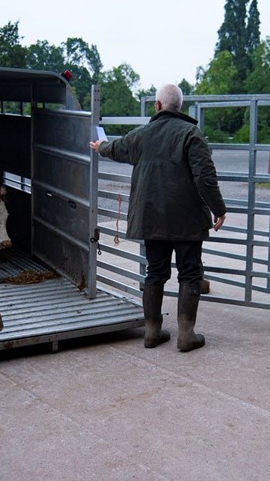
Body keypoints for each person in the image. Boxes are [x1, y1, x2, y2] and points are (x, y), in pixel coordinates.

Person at [89, 84, 226, 352]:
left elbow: (117, 149)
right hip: (187, 220)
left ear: (157, 105)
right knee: (189, 272)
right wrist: (218, 208)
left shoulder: (142, 135)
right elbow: (205, 177)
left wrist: (100, 146)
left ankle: (152, 331)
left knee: (155, 272)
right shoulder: (192, 134)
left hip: (152, 218)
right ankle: (186, 335)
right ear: (180, 107)